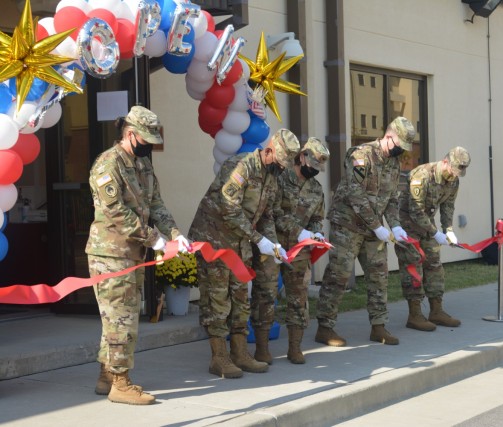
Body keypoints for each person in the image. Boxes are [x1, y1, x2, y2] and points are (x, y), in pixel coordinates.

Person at [86, 106, 191, 405]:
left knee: (119, 318)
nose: (149, 145)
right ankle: (120, 383)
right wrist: (155, 239)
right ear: (130, 135)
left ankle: (107, 376)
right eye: (145, 139)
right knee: (121, 319)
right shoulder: (108, 164)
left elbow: (156, 203)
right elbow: (116, 212)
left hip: (133, 253)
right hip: (111, 254)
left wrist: (174, 233)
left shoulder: (142, 166)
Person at [188, 129, 300, 378]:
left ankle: (239, 352)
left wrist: (272, 244)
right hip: (214, 241)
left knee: (240, 298)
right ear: (269, 151)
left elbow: (267, 214)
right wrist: (259, 240)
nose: (282, 168)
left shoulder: (272, 176)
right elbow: (229, 208)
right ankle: (219, 357)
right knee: (217, 299)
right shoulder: (240, 166)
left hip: (241, 243)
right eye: (280, 162)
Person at [315, 117, 416, 347]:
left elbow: (392, 198)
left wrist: (395, 225)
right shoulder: (360, 156)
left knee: (379, 275)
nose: (401, 150)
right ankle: (325, 326)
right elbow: (354, 194)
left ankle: (379, 326)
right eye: (399, 145)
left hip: (373, 229)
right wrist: (378, 227)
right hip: (348, 224)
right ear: (389, 137)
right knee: (339, 275)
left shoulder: (394, 163)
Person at [251, 137, 330, 365]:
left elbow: (316, 218)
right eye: (312, 165)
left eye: (318, 168)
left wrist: (315, 235)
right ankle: (262, 348)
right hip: (272, 245)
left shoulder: (316, 189)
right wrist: (299, 231)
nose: (315, 171)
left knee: (299, 298)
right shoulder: (280, 178)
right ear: (302, 156)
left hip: (299, 251)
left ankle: (295, 347)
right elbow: (271, 213)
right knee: (265, 296)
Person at [394, 146, 471, 332]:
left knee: (434, 265)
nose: (455, 175)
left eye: (459, 171)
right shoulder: (423, 175)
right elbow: (415, 210)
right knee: (413, 267)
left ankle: (436, 311)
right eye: (454, 170)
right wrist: (436, 233)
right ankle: (415, 315)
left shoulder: (453, 180)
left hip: (427, 226)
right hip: (408, 226)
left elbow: (448, 207)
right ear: (445, 162)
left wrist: (449, 229)